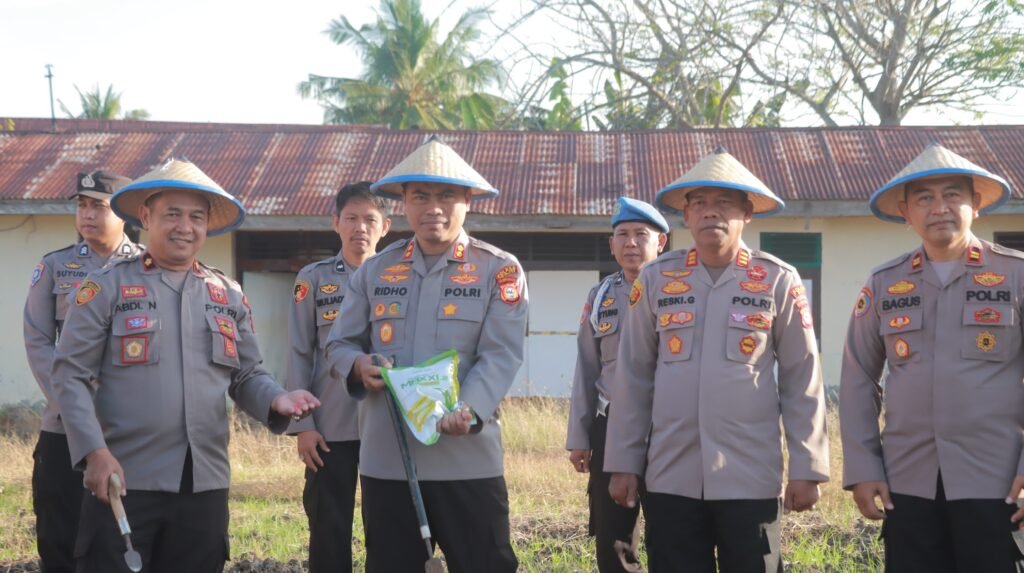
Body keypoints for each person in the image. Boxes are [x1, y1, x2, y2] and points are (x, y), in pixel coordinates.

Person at [51, 158, 320, 573]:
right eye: (172, 214)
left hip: (204, 483)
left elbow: (247, 374)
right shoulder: (106, 287)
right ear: (146, 217)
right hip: (123, 478)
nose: (185, 227)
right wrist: (93, 452)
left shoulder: (226, 293)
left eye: (196, 217)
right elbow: (70, 374)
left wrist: (277, 399)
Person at [605, 147, 830, 572]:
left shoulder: (777, 279)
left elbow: (802, 378)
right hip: (672, 474)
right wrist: (623, 463)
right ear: (686, 215)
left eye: (724, 202)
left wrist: (808, 466)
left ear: (747, 213)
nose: (711, 212)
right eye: (700, 203)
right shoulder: (656, 278)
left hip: (750, 476)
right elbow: (633, 375)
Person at [324, 136, 526, 573]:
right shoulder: (375, 270)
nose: (433, 207)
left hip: (466, 461)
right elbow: (338, 344)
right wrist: (357, 366)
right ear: (404, 202)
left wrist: (468, 409)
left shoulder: (498, 270)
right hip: (388, 463)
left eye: (446, 195)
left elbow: (501, 355)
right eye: (420, 196)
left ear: (467, 201)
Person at [840, 142, 1024, 572]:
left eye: (952, 195)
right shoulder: (884, 283)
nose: (939, 207)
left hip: (997, 482)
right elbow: (858, 378)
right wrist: (864, 467)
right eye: (924, 198)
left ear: (975, 204)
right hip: (908, 482)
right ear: (906, 212)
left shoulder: (1016, 274)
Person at [23, 170, 144, 573]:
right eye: (82, 205)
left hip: (129, 431)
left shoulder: (148, 267)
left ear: (124, 213)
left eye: (99, 206)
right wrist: (74, 408)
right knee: (60, 538)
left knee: (124, 542)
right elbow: (39, 342)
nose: (87, 215)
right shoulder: (56, 267)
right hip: (65, 430)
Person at [286, 181, 391, 572]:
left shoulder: (397, 278)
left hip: (386, 423)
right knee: (328, 527)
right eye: (351, 218)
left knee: (388, 526)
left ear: (385, 226)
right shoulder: (312, 279)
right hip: (330, 426)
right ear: (335, 222)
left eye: (370, 219)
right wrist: (304, 425)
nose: (360, 227)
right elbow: (299, 353)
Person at [566, 196, 668, 572]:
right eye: (622, 235)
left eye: (641, 234)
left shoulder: (678, 293)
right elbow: (587, 368)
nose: (631, 243)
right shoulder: (600, 297)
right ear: (611, 245)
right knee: (613, 536)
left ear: (661, 242)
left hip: (667, 425)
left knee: (672, 529)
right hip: (611, 424)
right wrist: (579, 436)